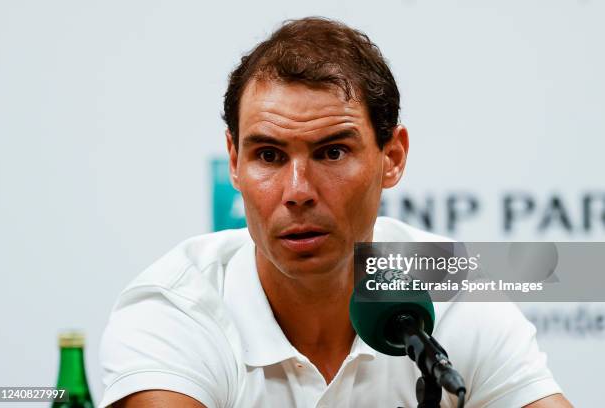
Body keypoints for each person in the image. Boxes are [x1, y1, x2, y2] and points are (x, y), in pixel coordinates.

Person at [99, 17, 572, 408]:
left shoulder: (453, 293)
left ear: (392, 157)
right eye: (268, 155)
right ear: (234, 162)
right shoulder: (176, 309)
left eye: (331, 153)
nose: (298, 191)